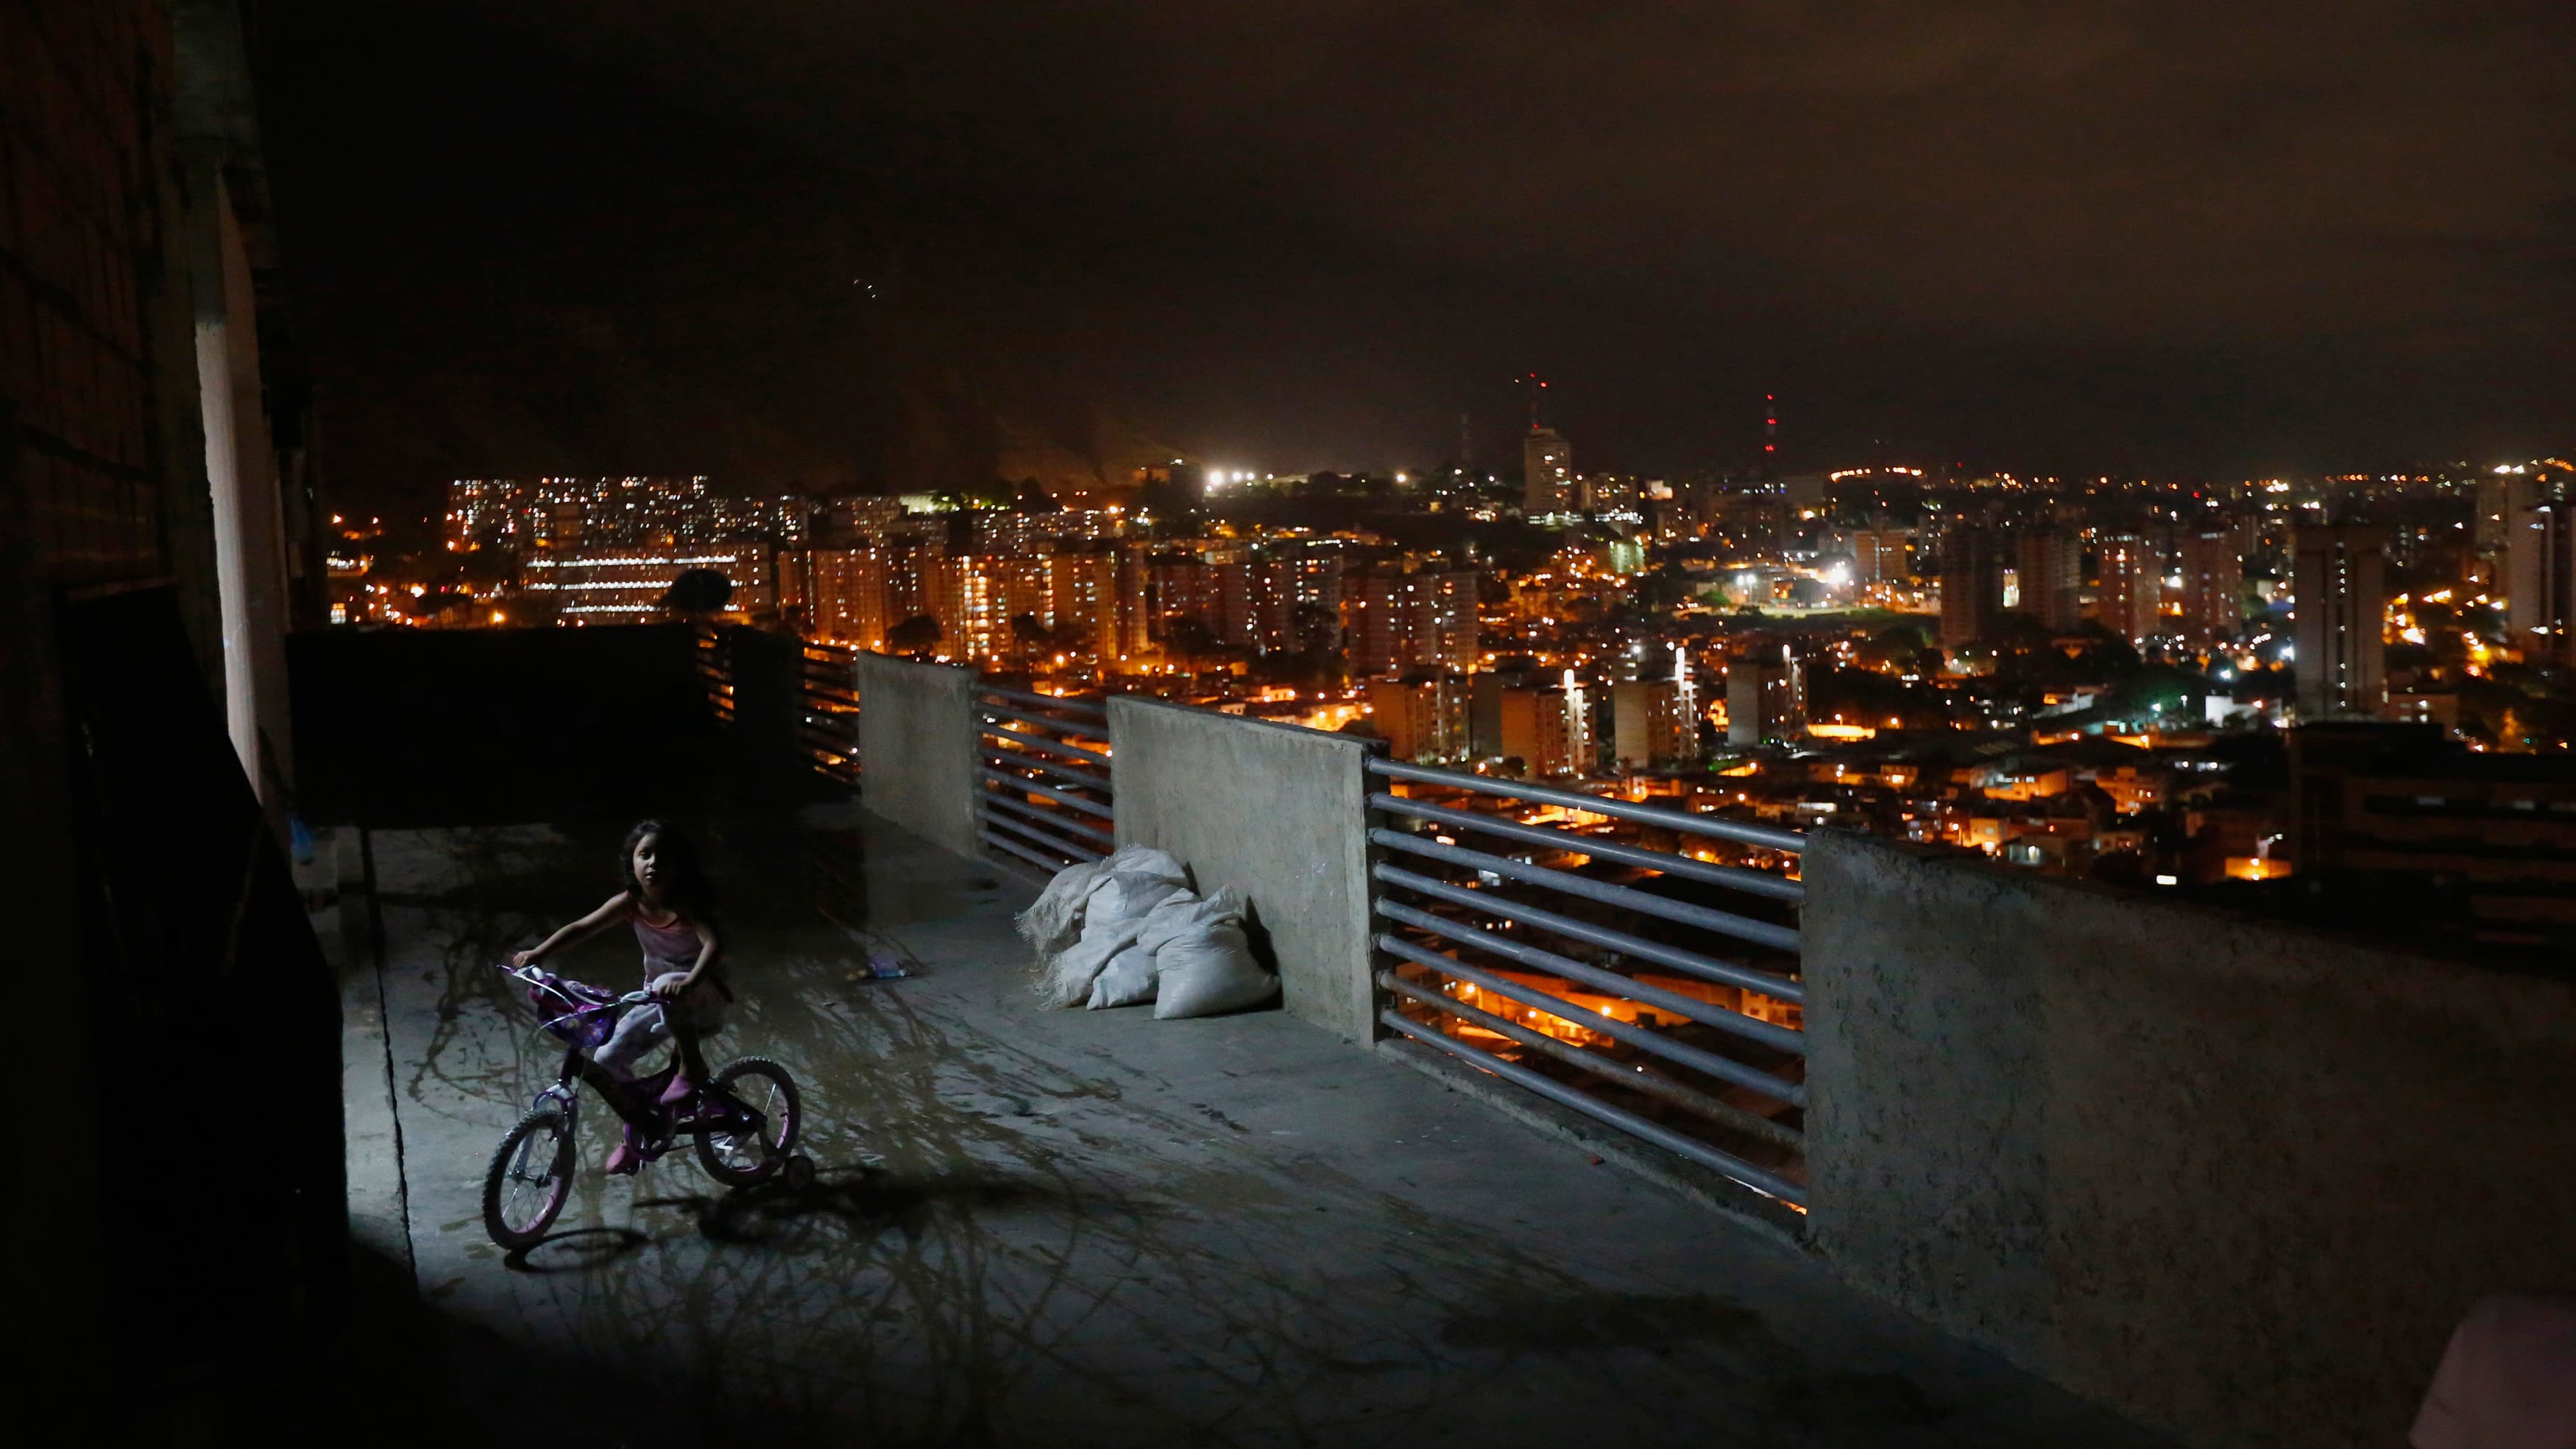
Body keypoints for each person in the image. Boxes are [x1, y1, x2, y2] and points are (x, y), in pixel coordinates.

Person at [512, 820, 732, 1174]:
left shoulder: (686, 905)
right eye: (645, 854)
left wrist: (690, 981)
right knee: (605, 1057)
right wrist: (539, 953)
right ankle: (640, 1130)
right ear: (632, 862)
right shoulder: (631, 903)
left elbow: (714, 945)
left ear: (679, 867)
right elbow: (582, 927)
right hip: (661, 999)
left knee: (666, 988)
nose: (653, 863)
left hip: (703, 998)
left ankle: (693, 1066)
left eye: (664, 856)